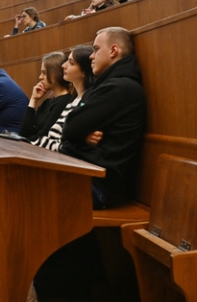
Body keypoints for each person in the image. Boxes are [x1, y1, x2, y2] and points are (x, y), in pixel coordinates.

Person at [61, 27, 146, 210]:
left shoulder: (119, 88)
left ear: (114, 51)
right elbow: (72, 130)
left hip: (98, 186)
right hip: (88, 177)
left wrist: (76, 136)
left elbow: (70, 128)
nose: (91, 56)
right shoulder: (108, 85)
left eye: (96, 49)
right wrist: (82, 137)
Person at [19, 52, 75, 145]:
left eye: (44, 73)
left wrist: (26, 140)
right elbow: (24, 133)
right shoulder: (48, 102)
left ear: (55, 74)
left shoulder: (64, 102)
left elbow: (43, 136)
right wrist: (33, 100)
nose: (40, 77)